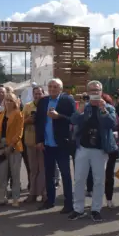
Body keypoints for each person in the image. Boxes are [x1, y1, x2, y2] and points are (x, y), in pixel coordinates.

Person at [69, 81, 118, 222]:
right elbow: (73, 120)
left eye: (97, 91)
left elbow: (112, 124)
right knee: (79, 179)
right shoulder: (85, 107)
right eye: (91, 91)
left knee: (99, 180)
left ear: (101, 92)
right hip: (83, 148)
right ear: (87, 92)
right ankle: (78, 209)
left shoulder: (108, 107)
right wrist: (80, 109)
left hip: (99, 149)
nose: (94, 93)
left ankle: (96, 209)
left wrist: (103, 110)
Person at [35, 78, 76, 213]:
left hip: (62, 144)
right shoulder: (43, 101)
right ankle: (50, 201)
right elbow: (39, 122)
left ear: (61, 88)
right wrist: (39, 140)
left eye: (55, 87)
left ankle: (69, 203)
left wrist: (59, 116)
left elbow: (73, 119)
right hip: (47, 145)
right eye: (50, 86)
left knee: (65, 174)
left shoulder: (67, 100)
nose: (52, 89)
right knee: (49, 174)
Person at [0, 93, 24, 207]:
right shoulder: (0, 114)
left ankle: (16, 198)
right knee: (2, 173)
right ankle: (2, 197)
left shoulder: (18, 114)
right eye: (7, 100)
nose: (8, 102)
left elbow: (19, 133)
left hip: (15, 146)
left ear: (16, 102)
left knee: (15, 174)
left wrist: (10, 146)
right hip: (1, 146)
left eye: (11, 100)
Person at [22, 86, 46, 203]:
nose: (38, 96)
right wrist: (28, 120)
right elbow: (21, 123)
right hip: (30, 141)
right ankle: (32, 194)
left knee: (43, 169)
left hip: (43, 142)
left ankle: (44, 193)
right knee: (33, 169)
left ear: (43, 93)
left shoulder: (47, 105)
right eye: (35, 94)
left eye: (39, 93)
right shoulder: (27, 106)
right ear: (33, 94)